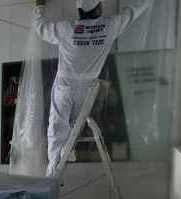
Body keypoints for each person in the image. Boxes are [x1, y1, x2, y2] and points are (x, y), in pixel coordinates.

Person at [34, 0, 154, 176]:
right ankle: (66, 150)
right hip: (88, 86)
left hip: (66, 83)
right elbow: (130, 13)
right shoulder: (109, 27)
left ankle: (52, 172)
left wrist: (40, 8)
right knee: (75, 123)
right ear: (97, 10)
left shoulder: (66, 28)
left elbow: (41, 28)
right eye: (100, 5)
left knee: (57, 124)